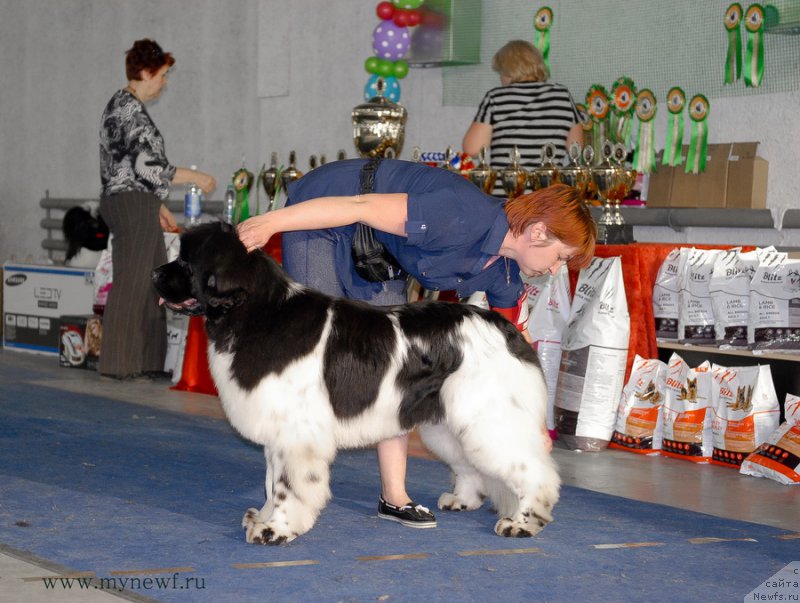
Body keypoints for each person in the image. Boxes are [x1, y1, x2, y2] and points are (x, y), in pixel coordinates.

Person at [237, 158, 596, 529]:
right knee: (317, 361)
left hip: (379, 249)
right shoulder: (459, 214)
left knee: (394, 370)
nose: (555, 270)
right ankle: (283, 507)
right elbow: (357, 206)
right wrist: (272, 223)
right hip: (330, 210)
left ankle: (394, 496)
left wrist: (533, 422)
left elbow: (511, 359)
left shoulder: (505, 274)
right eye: (561, 258)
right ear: (538, 233)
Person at [98, 38, 215, 380]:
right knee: (134, 282)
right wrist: (197, 177)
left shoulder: (122, 105)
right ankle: (118, 364)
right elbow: (148, 167)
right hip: (130, 202)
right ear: (146, 72)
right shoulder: (128, 110)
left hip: (135, 201)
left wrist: (157, 204)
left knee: (154, 280)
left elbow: (132, 168)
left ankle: (149, 361)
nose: (164, 83)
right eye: (163, 75)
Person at [463, 40, 583, 198]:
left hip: (506, 199)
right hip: (549, 200)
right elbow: (576, 148)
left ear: (508, 71)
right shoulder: (562, 96)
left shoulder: (496, 98)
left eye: (501, 72)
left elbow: (472, 148)